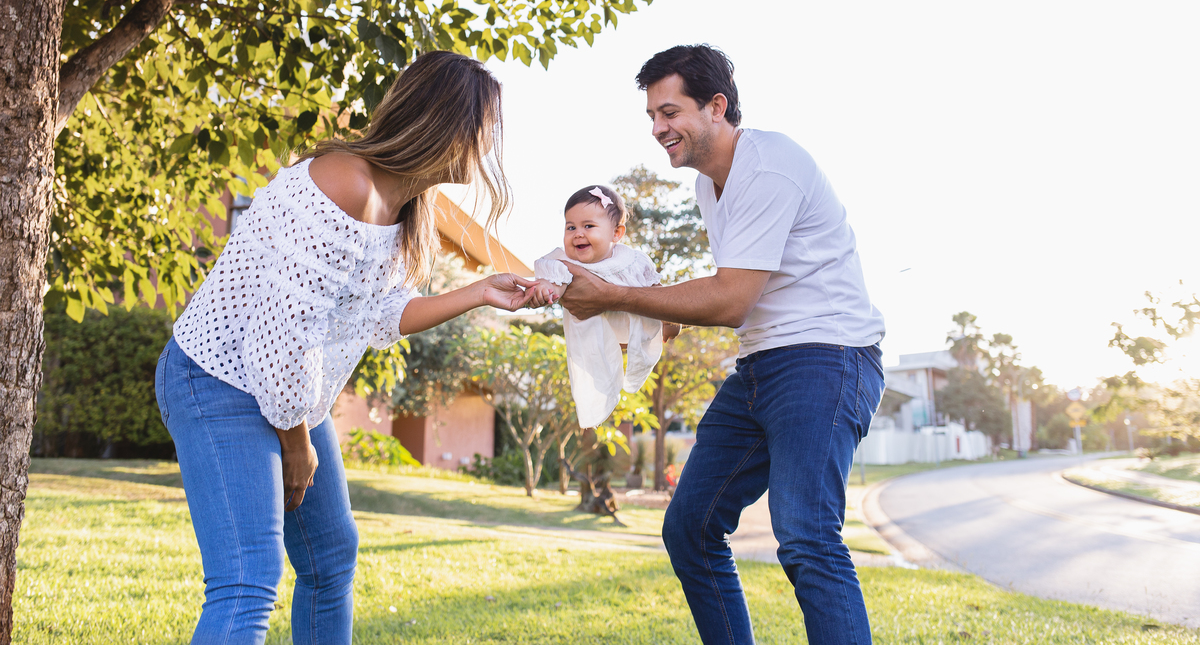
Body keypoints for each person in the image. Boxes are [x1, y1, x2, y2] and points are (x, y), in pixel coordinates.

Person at [157, 51, 535, 645]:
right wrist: (297, 445)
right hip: (219, 379)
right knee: (247, 581)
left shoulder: (406, 206)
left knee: (331, 561)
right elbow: (282, 340)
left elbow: (378, 316)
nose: (488, 146)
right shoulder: (344, 183)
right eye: (484, 127)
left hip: (289, 395)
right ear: (443, 120)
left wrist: (481, 291)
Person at [559, 45, 886, 645]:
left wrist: (614, 296)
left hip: (827, 357)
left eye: (669, 112)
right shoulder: (712, 188)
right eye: (652, 117)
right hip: (763, 364)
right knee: (690, 526)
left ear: (716, 106)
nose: (658, 129)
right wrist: (654, 314)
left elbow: (730, 299)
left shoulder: (769, 165)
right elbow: (731, 295)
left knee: (807, 535)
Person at [528, 185, 679, 427]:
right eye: (570, 227)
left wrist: (669, 321)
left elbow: (655, 288)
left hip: (633, 322)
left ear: (616, 233)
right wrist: (545, 291)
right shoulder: (562, 262)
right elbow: (551, 282)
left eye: (588, 226)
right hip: (595, 332)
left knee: (664, 326)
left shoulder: (632, 260)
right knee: (598, 367)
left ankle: (652, 335)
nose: (577, 233)